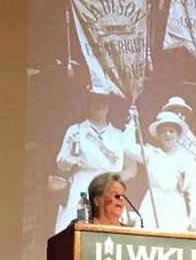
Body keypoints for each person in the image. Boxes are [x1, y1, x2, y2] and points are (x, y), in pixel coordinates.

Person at [54, 90, 136, 232]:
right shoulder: (76, 130)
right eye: (95, 100)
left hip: (108, 187)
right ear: (89, 103)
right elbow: (62, 164)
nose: (99, 105)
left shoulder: (118, 135)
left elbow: (131, 167)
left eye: (104, 101)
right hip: (82, 185)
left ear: (109, 105)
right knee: (77, 229)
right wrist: (67, 161)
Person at [125, 110, 196, 231]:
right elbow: (127, 147)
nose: (168, 134)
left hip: (175, 207)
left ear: (178, 134)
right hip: (152, 205)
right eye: (164, 131)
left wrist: (195, 216)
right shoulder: (150, 154)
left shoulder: (187, 159)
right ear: (158, 135)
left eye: (171, 131)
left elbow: (195, 189)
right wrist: (132, 122)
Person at [161, 96, 196, 161]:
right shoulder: (164, 133)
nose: (179, 116)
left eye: (182, 113)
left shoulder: (193, 133)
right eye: (176, 113)